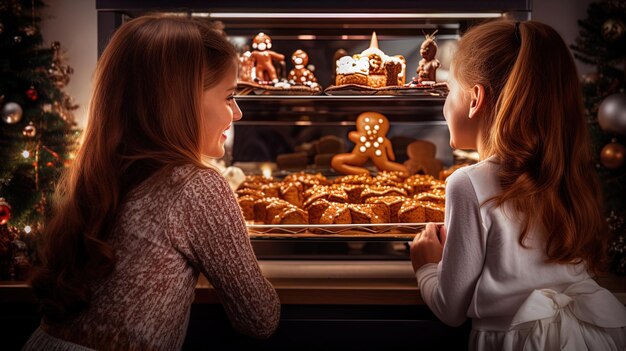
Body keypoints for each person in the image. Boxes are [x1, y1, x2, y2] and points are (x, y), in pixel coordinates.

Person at [23, 15, 280, 350]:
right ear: (180, 102)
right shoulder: (196, 186)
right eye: (229, 96)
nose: (237, 112)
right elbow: (259, 318)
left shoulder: (105, 169)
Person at [409, 19, 626, 351]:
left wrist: (425, 265)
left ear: (475, 98)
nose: (445, 102)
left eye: (449, 89)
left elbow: (451, 309)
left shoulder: (466, 183)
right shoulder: (568, 171)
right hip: (590, 336)